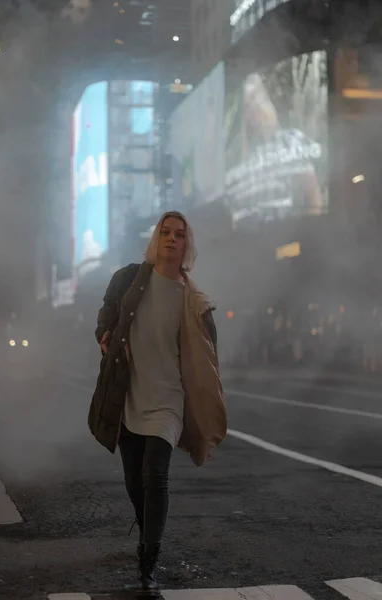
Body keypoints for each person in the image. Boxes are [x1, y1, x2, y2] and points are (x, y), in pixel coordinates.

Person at [88, 211, 227, 597]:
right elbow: (107, 312)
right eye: (165, 233)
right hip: (130, 393)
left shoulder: (195, 300)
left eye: (179, 235)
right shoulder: (130, 278)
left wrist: (207, 426)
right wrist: (104, 333)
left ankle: (149, 560)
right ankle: (146, 527)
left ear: (186, 245)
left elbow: (209, 366)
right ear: (155, 239)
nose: (171, 239)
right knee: (134, 480)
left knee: (155, 474)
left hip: (169, 399)